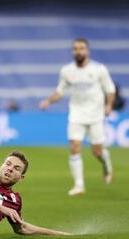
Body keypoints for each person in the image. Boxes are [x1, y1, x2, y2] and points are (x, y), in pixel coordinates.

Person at [39, 38, 115, 196]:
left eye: (81, 48)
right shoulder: (67, 71)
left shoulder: (99, 69)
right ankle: (79, 185)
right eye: (75, 49)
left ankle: (106, 163)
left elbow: (110, 89)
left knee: (97, 152)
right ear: (72, 51)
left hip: (95, 114)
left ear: (87, 51)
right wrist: (48, 101)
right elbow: (60, 91)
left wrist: (108, 105)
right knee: (74, 147)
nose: (78, 51)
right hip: (76, 114)